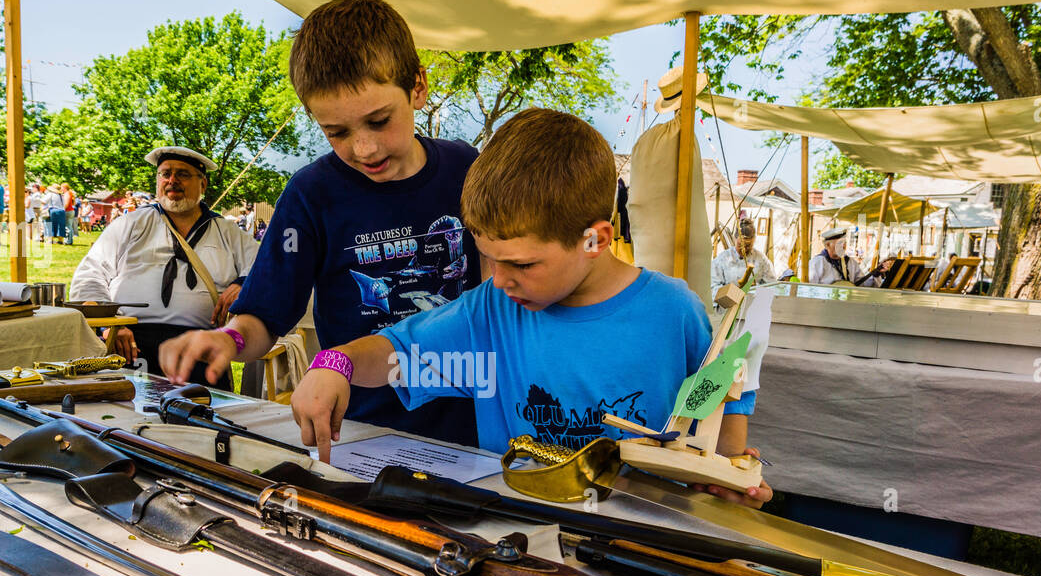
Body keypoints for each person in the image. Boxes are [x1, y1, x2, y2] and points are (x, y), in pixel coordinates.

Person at [284, 108, 771, 507]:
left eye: (521, 263)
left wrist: (728, 478)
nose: (499, 279)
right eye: (487, 258)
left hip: (646, 539)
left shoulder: (675, 313)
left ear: (594, 238)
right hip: (521, 536)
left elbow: (724, 400)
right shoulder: (490, 313)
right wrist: (336, 363)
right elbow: (394, 354)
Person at [160, 0, 483, 446]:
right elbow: (263, 318)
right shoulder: (312, 194)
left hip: (475, 425)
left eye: (379, 120)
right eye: (338, 132)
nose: (364, 149)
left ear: (418, 87)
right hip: (360, 432)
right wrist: (228, 340)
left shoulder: (466, 169)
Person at [70, 145, 258, 388]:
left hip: (201, 350)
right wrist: (111, 324)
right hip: (130, 347)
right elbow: (89, 276)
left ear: (203, 184)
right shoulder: (131, 224)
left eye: (183, 174)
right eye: (165, 173)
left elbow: (266, 268)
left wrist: (243, 284)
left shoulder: (227, 232)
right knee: (128, 421)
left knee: (204, 421)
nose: (172, 181)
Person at [710, 217, 776, 297]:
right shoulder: (722, 259)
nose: (744, 249)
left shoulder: (761, 260)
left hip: (753, 305)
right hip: (728, 306)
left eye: (748, 245)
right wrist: (732, 293)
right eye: (740, 245)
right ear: (735, 239)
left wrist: (755, 289)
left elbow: (772, 285)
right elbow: (713, 287)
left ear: (754, 240)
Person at [809, 227, 891, 286]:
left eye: (845, 243)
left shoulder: (851, 262)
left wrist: (876, 273)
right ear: (827, 245)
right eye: (840, 243)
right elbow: (810, 288)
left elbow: (863, 285)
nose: (844, 246)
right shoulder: (817, 263)